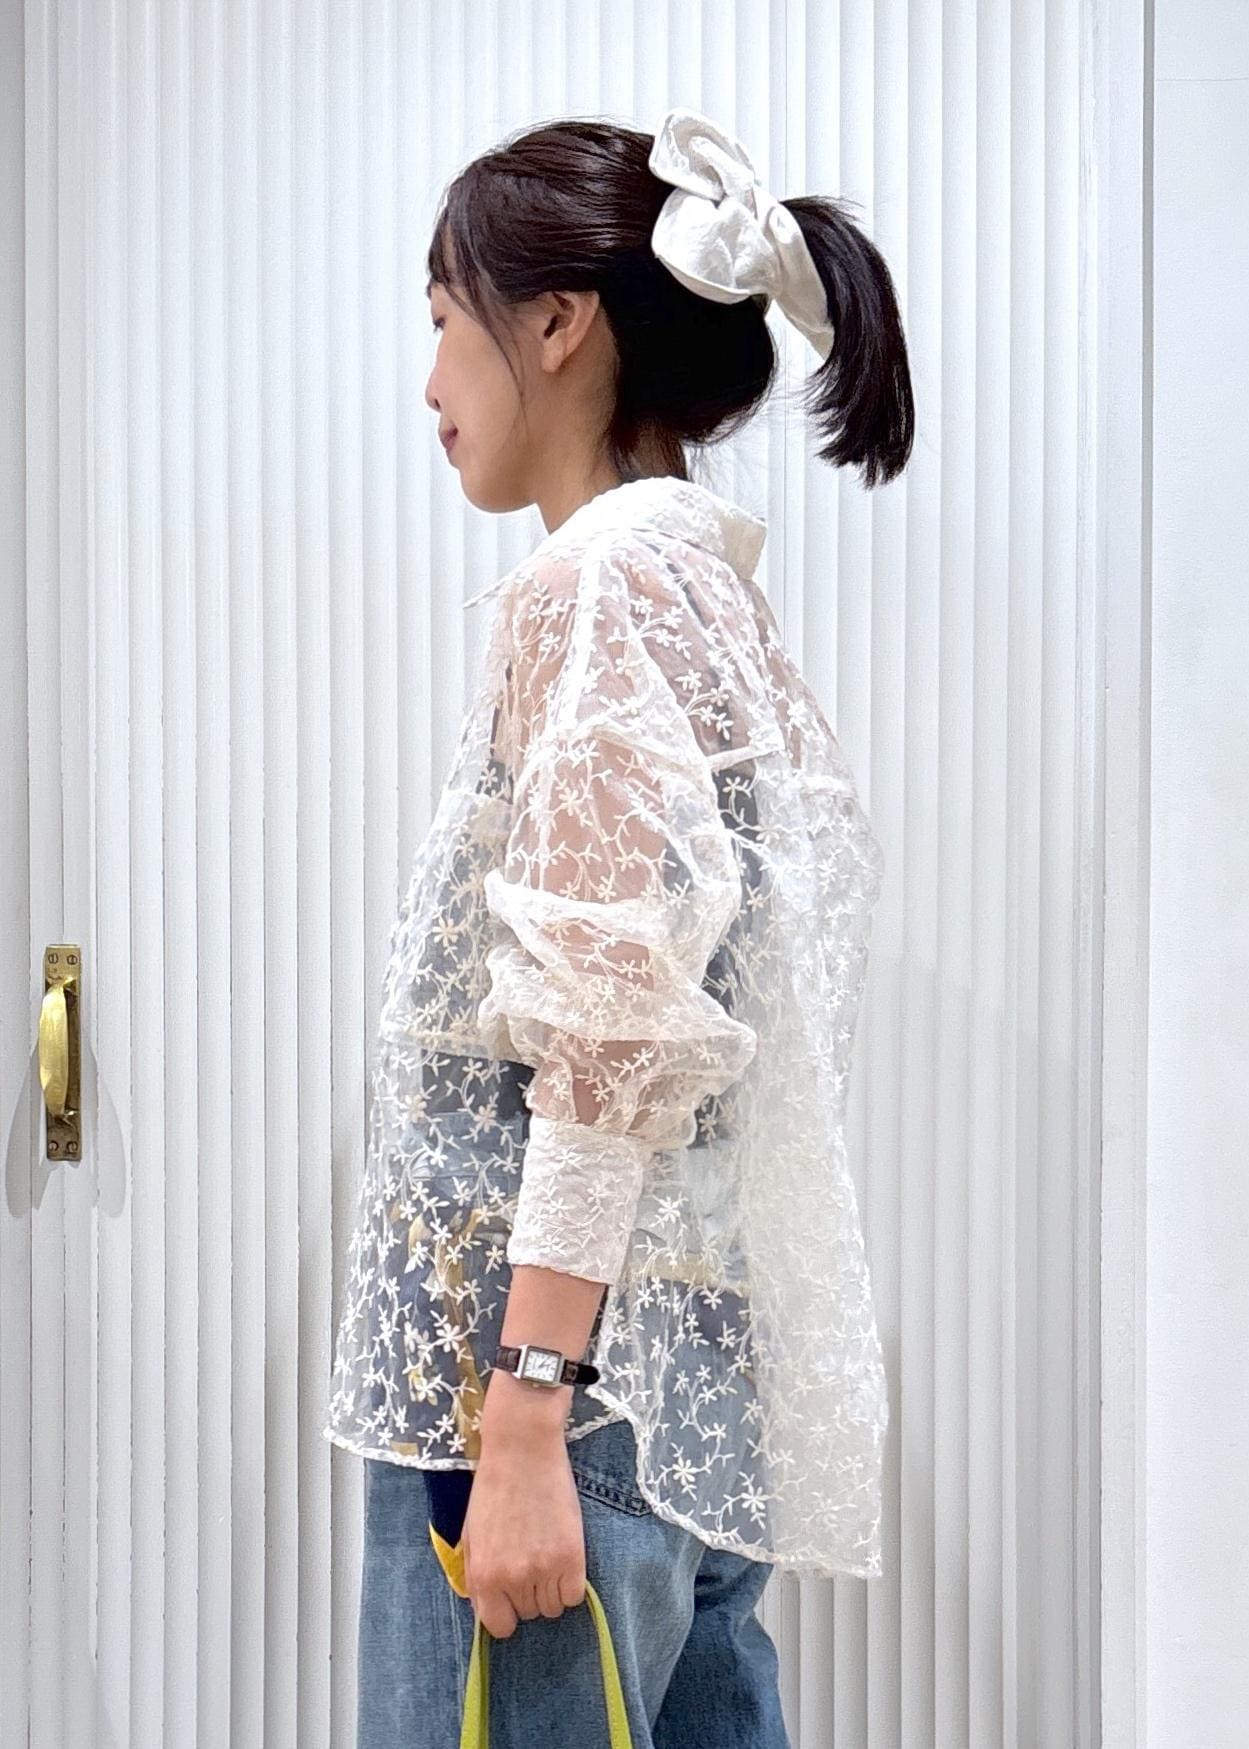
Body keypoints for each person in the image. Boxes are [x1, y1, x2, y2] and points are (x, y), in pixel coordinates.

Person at [323, 104, 914, 1748]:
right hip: (677, 1382)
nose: (430, 382)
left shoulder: (594, 589)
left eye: (445, 321)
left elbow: (609, 1031)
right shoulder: (707, 590)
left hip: (558, 1404)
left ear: (557, 326)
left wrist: (524, 1407)